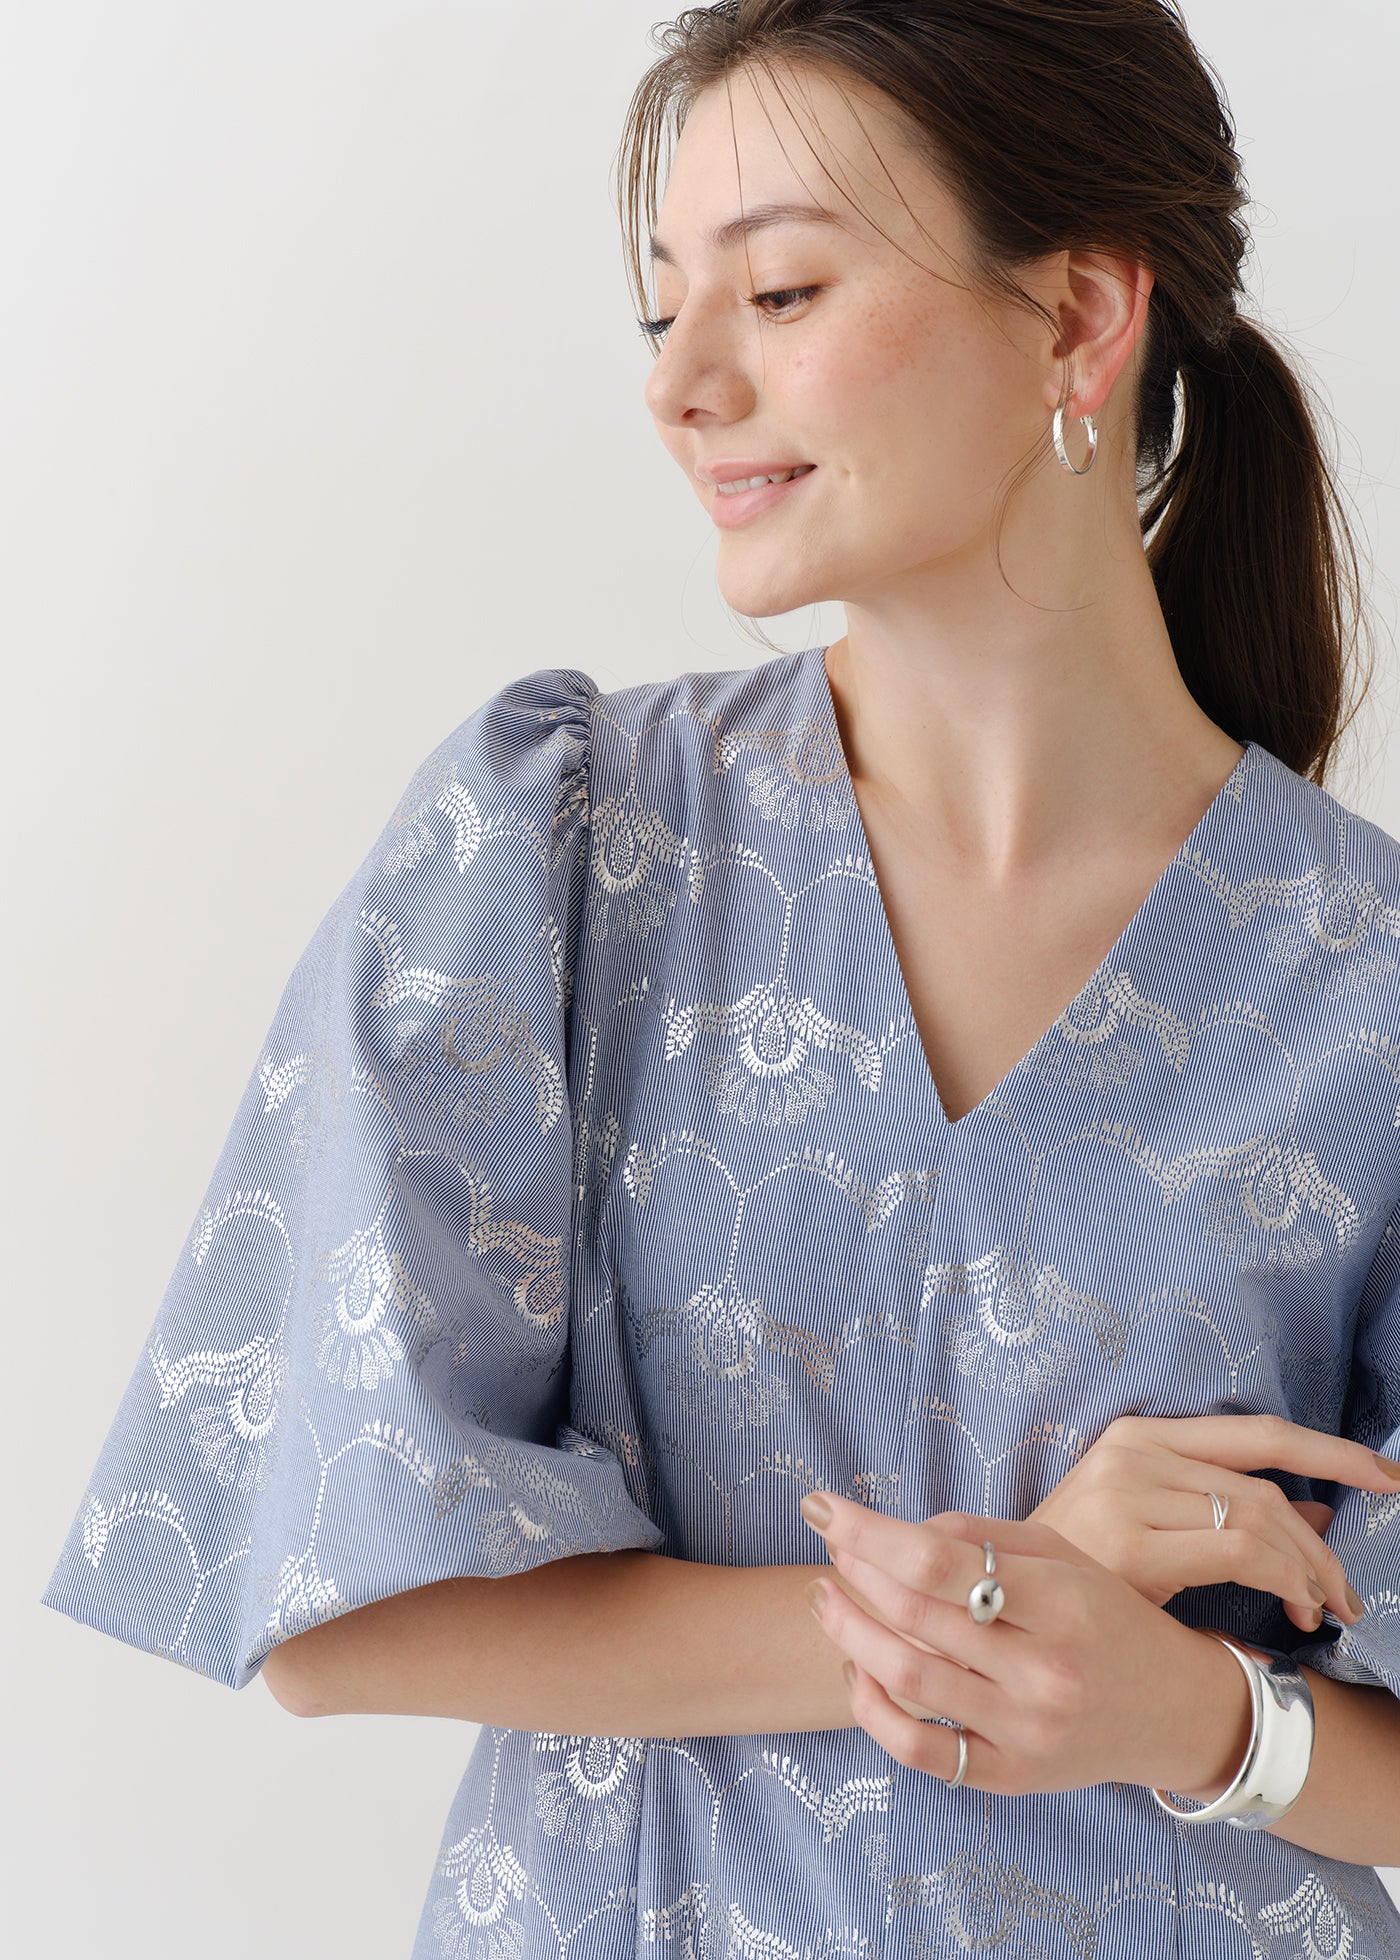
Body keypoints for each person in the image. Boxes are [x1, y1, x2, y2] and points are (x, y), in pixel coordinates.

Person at [41, 1, 1400, 1954]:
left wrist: (1199, 1714)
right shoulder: (564, 847)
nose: (680, 384)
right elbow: (330, 1598)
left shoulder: (1361, 985)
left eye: (776, 291)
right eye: (662, 305)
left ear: (1080, 319)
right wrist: (983, 1599)